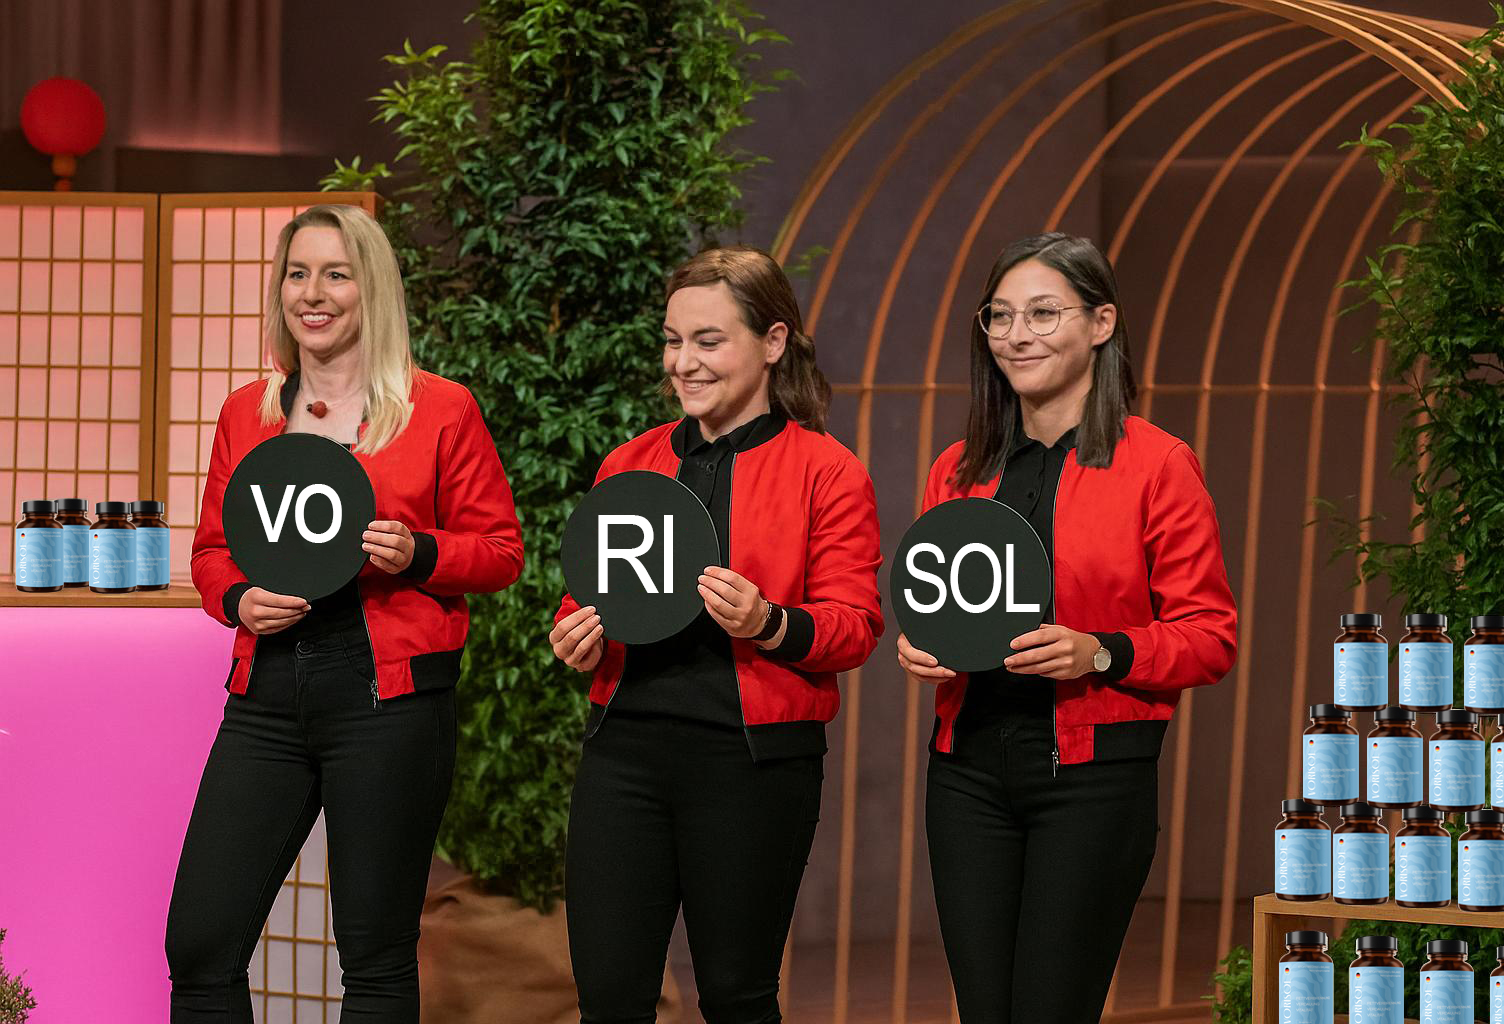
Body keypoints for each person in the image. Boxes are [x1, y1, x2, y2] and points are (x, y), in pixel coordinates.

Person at [166, 204, 524, 1022]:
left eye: (337, 274)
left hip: (388, 701)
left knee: (375, 957)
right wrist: (238, 599)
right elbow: (212, 553)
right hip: (266, 694)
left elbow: (501, 551)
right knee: (200, 944)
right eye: (297, 274)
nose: (313, 293)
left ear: (373, 289)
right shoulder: (247, 412)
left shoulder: (440, 409)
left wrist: (418, 552)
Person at [897, 233, 1237, 1023]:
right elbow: (938, 607)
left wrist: (1100, 651)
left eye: (1044, 314)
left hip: (1093, 782)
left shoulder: (1158, 465)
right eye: (1000, 316)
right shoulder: (958, 469)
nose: (1017, 335)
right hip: (965, 773)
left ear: (1101, 323)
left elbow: (1209, 635)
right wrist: (924, 645)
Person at [549, 246, 883, 1024]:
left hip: (752, 764)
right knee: (608, 996)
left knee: (736, 995)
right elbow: (583, 597)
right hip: (623, 753)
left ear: (772, 343)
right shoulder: (628, 464)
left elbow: (856, 626)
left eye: (708, 341)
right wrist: (574, 633)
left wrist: (770, 622)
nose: (683, 363)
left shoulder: (827, 472)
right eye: (673, 341)